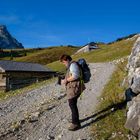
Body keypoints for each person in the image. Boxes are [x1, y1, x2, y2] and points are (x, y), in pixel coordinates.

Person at [60, 54, 85, 131]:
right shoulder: (71, 65)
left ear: (67, 60)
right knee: (73, 103)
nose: (64, 64)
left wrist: (66, 80)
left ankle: (76, 123)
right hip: (74, 87)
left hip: (75, 87)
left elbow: (75, 76)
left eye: (64, 62)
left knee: (72, 104)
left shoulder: (73, 65)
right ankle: (75, 119)